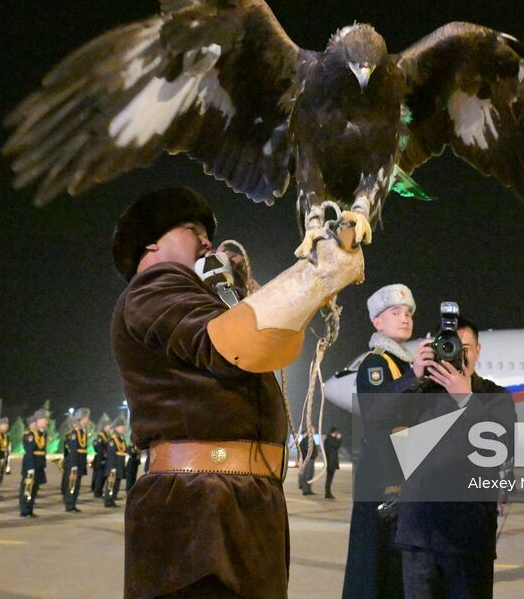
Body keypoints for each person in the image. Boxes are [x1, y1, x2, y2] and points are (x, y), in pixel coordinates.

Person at [110, 186, 364, 597]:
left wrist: (251, 294)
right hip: (197, 514)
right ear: (151, 242)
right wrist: (312, 276)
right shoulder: (153, 286)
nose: (207, 240)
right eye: (192, 228)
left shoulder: (197, 296)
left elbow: (266, 346)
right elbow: (231, 346)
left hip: (233, 505)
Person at [381, 317, 516, 599]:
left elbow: (506, 448)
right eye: (450, 346)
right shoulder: (421, 393)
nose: (457, 354)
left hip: (469, 540)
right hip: (419, 536)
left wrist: (467, 400)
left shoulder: (494, 396)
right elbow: (375, 416)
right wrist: (413, 374)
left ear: (478, 350)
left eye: (464, 347)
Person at [343, 283, 417, 599]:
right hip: (382, 480)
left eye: (408, 313)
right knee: (375, 566)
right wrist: (415, 377)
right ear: (377, 322)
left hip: (402, 472)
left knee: (396, 569)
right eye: (395, 313)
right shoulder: (377, 363)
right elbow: (375, 412)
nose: (405, 318)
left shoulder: (403, 364)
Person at [20, 409, 48, 517]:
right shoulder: (30, 435)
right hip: (31, 464)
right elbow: (30, 452)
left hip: (39, 465)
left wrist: (43, 465)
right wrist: (31, 467)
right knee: (27, 488)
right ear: (37, 421)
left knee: (34, 488)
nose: (46, 422)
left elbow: (43, 451)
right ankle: (24, 510)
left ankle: (30, 509)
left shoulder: (43, 434)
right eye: (43, 419)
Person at [61, 410, 91, 511]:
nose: (87, 419)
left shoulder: (82, 432)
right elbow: (73, 450)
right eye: (86, 417)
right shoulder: (74, 433)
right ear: (81, 419)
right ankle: (69, 504)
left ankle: (72, 503)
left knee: (76, 484)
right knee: (72, 483)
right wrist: (73, 465)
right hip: (74, 462)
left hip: (80, 462)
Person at [102, 421, 128, 508]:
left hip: (119, 465)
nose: (123, 429)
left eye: (123, 427)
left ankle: (112, 500)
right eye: (121, 427)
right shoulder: (112, 440)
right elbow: (111, 454)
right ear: (116, 428)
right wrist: (112, 467)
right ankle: (108, 501)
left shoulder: (121, 438)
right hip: (113, 465)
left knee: (116, 484)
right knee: (111, 484)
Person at [323, 427, 343, 500]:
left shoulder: (329, 439)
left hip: (331, 462)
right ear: (334, 432)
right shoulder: (330, 439)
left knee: (329, 479)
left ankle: (328, 493)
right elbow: (336, 446)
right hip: (330, 462)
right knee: (329, 479)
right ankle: (327, 493)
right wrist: (339, 439)